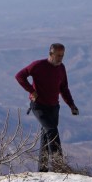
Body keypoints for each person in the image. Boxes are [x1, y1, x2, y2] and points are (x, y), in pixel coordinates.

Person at [15, 43, 79, 172]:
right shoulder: (38, 65)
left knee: (46, 136)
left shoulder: (61, 68)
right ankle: (59, 166)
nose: (61, 58)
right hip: (39, 106)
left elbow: (64, 88)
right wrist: (31, 91)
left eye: (62, 55)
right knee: (52, 132)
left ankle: (42, 171)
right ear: (51, 54)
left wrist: (71, 105)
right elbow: (19, 76)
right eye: (58, 55)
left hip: (54, 107)